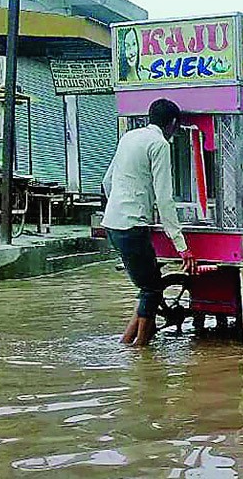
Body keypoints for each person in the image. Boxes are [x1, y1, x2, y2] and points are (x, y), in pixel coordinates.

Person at [102, 99, 197, 346]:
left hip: (112, 222)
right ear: (173, 123)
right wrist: (181, 245)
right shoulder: (159, 144)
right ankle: (140, 349)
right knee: (152, 289)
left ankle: (127, 341)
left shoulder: (129, 137)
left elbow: (107, 181)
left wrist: (123, 205)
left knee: (149, 283)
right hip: (132, 225)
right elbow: (165, 198)